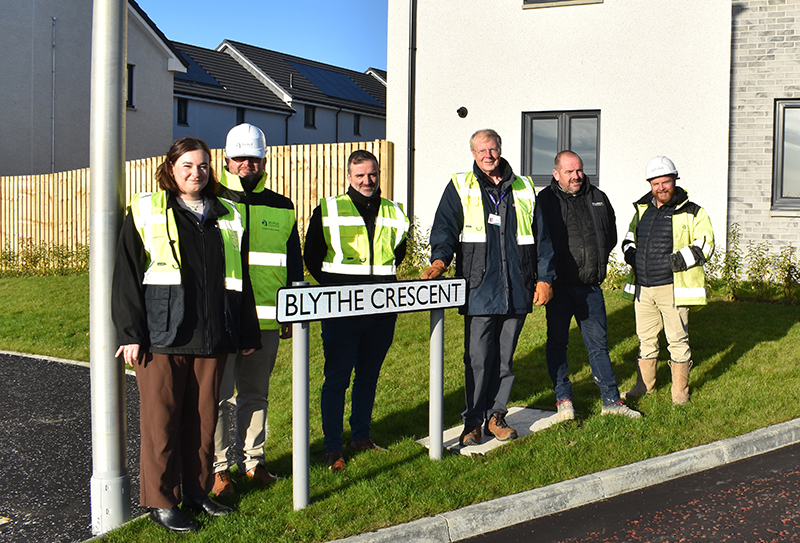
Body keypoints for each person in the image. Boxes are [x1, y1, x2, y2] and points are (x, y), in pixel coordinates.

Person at [112, 137, 261, 533]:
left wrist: (245, 329)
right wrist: (130, 333)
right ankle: (160, 501)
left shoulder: (227, 213)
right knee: (161, 423)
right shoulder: (147, 210)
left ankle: (197, 493)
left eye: (203, 166)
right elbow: (126, 274)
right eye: (188, 166)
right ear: (171, 169)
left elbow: (240, 278)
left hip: (213, 336)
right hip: (162, 335)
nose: (196, 173)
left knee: (203, 419)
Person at [423, 129, 555, 447]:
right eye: (482, 150)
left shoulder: (524, 187)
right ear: (473, 153)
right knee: (479, 358)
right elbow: (444, 228)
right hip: (478, 288)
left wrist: (545, 278)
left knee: (506, 360)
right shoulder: (460, 185)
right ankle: (472, 423)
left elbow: (543, 238)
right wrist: (440, 261)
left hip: (517, 287)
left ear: (500, 149)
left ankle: (496, 416)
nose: (488, 156)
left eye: (493, 149)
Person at [211, 124, 303, 498]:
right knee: (216, 397)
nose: (247, 164)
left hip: (267, 318)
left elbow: (293, 261)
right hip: (221, 321)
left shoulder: (282, 206)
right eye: (240, 158)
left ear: (264, 160)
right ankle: (217, 469)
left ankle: (253, 463)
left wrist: (291, 311)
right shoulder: (210, 199)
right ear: (227, 160)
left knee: (256, 394)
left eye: (254, 158)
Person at [304, 150, 409, 471]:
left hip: (381, 307)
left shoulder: (394, 211)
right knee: (337, 378)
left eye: (372, 174)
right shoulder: (328, 209)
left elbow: (398, 253)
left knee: (368, 375)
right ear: (349, 177)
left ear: (379, 174)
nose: (367, 181)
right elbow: (312, 255)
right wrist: (339, 289)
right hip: (342, 309)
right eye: (360, 175)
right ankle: (333, 448)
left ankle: (361, 436)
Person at [537, 151, 640, 421]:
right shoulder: (545, 201)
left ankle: (611, 401)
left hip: (590, 288)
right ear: (556, 173)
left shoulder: (598, 197)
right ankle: (564, 400)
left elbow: (610, 235)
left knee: (599, 346)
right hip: (558, 288)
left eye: (579, 170)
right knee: (558, 343)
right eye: (570, 172)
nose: (577, 176)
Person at [621, 156, 714, 405]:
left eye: (666, 182)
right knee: (645, 339)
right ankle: (644, 386)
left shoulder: (693, 211)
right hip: (644, 288)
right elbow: (630, 237)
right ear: (650, 184)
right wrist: (631, 254)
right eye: (656, 183)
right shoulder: (642, 210)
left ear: (675, 180)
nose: (661, 188)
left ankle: (679, 393)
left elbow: (705, 244)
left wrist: (675, 262)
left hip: (673, 288)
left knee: (677, 340)